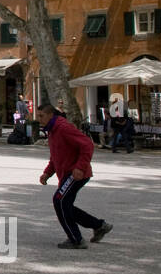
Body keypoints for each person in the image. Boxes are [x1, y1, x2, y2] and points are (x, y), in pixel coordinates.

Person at [38, 102, 113, 249]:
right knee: (65, 205)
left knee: (59, 200)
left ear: (50, 115)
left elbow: (87, 144)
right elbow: (56, 155)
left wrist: (80, 167)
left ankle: (76, 239)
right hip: (68, 173)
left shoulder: (63, 127)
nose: (38, 119)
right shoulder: (52, 130)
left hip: (76, 173)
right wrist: (47, 172)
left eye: (41, 116)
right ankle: (99, 225)